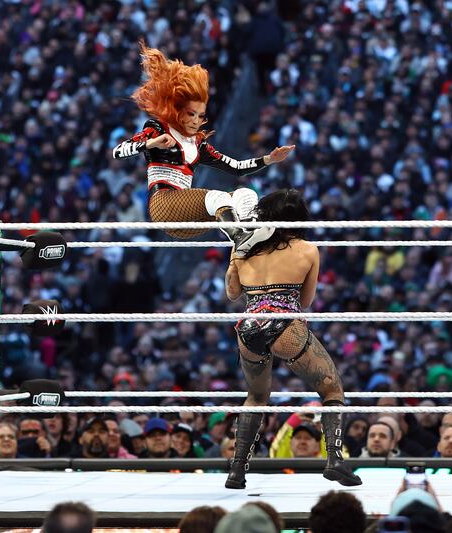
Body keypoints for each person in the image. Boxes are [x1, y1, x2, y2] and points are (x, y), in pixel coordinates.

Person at [223, 189, 361, 488]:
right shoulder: (307, 249)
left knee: (256, 397)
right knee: (331, 388)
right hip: (285, 323)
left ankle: (237, 470)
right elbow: (306, 300)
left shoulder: (246, 247)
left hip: (248, 326)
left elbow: (232, 293)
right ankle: (335, 460)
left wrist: (235, 258)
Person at [113, 43, 295, 254]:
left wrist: (269, 159)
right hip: (163, 205)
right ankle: (240, 237)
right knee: (218, 197)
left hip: (188, 218)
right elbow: (118, 152)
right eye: (191, 114)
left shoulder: (198, 143)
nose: (196, 120)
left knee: (245, 194)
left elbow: (236, 168)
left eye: (200, 116)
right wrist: (151, 143)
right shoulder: (158, 128)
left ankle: (250, 233)